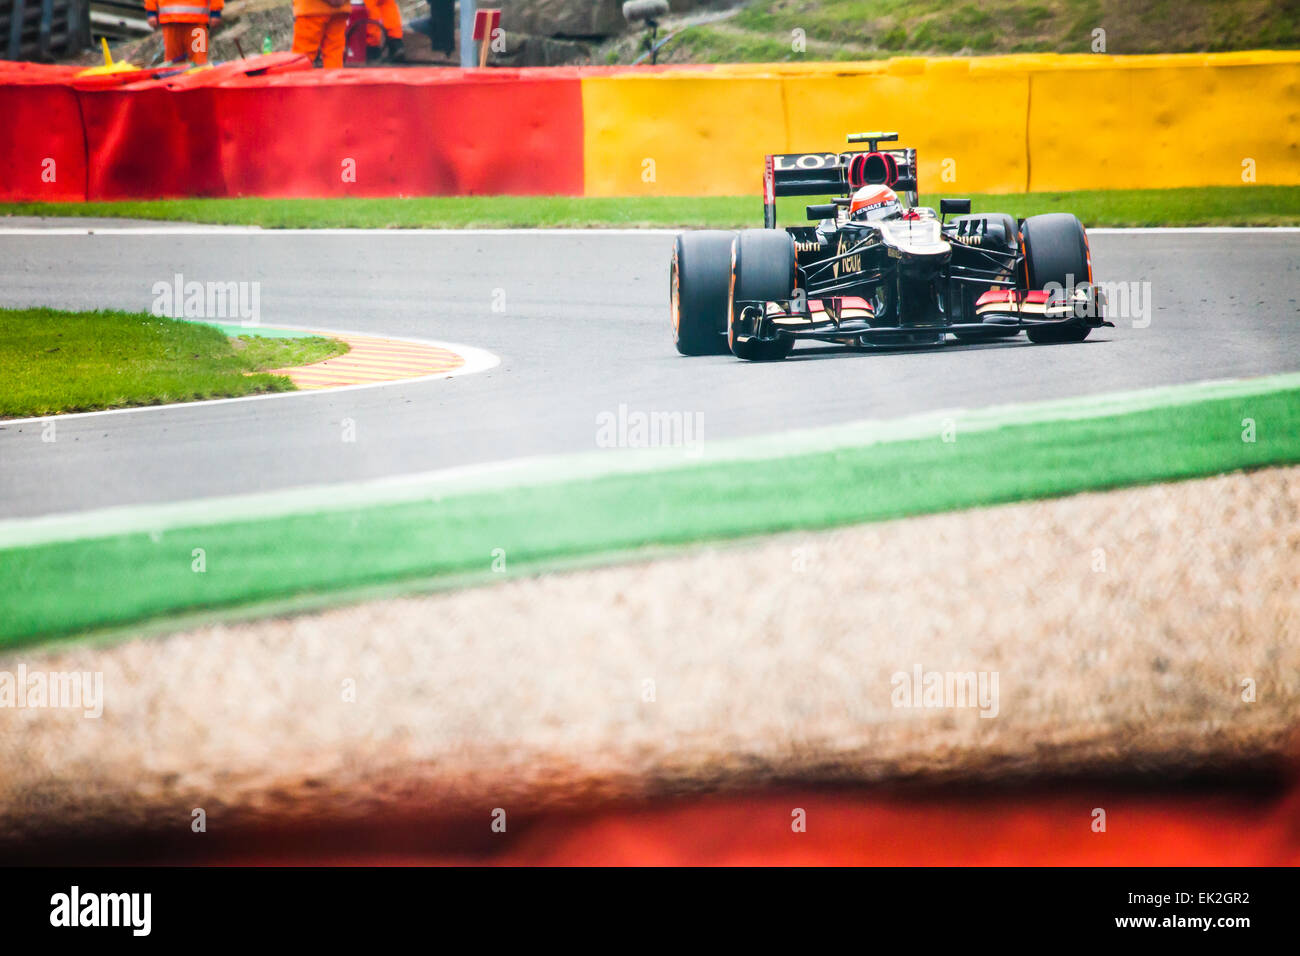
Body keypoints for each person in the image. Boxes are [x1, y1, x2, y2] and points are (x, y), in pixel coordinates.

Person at [144, 0, 223, 66]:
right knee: (173, 62)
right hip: (171, 22)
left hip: (197, 22)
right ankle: (174, 82)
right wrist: (151, 12)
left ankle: (198, 82)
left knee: (199, 61)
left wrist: (215, 12)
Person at [292, 0, 352, 68]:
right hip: (339, 9)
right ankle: (333, 78)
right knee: (334, 54)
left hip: (311, 8)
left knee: (303, 57)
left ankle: (300, 78)